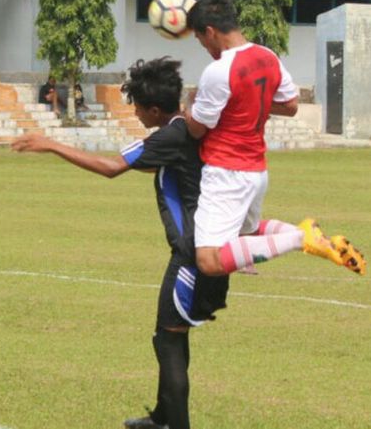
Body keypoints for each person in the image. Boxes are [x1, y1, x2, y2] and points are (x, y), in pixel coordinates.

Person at [13, 58, 227, 429]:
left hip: (191, 254)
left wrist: (51, 145)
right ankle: (162, 417)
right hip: (208, 246)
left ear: (155, 109)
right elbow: (150, 163)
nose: (136, 113)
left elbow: (112, 168)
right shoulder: (183, 130)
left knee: (169, 342)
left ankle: (174, 425)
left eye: (139, 108)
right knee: (171, 336)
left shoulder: (170, 135)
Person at [183, 0, 366, 277]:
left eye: (200, 39)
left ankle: (300, 237)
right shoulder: (266, 56)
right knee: (250, 231)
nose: (204, 46)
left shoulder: (219, 71)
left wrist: (189, 104)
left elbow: (196, 129)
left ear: (210, 31)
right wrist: (248, 100)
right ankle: (317, 239)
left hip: (226, 171)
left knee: (208, 260)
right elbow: (291, 105)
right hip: (256, 170)